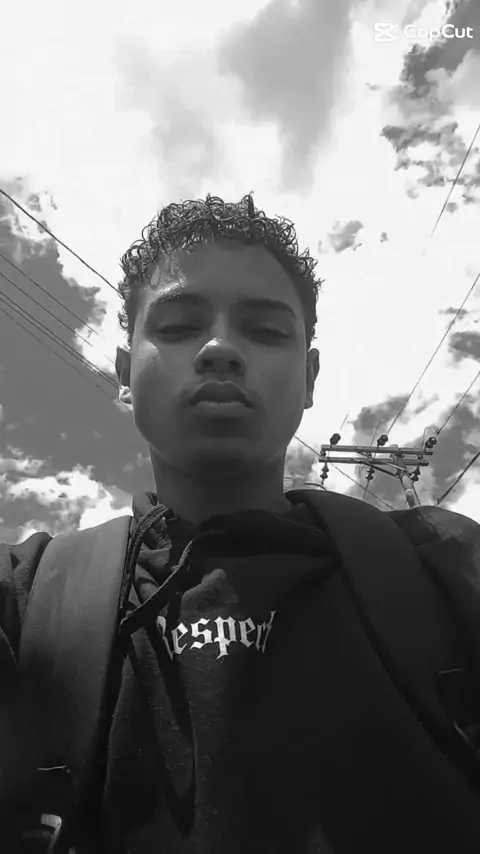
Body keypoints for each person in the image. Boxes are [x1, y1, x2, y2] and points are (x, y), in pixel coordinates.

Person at [2, 193, 480, 854]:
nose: (220, 348)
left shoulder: (446, 566)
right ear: (125, 372)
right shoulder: (29, 599)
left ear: (309, 378)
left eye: (266, 330)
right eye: (178, 325)